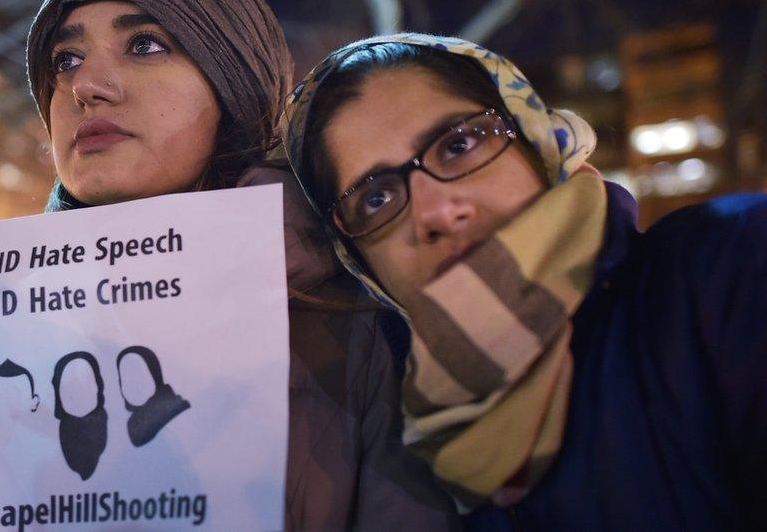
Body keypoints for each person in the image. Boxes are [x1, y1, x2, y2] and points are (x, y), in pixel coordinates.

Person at [0, 0, 458, 531]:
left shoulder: (373, 326)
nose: (88, 86)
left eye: (145, 44)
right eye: (64, 61)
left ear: (235, 83)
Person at [282, 32, 767, 530]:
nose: (437, 212)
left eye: (459, 144)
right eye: (376, 199)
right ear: (361, 261)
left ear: (534, 141)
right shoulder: (411, 447)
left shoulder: (727, 273)